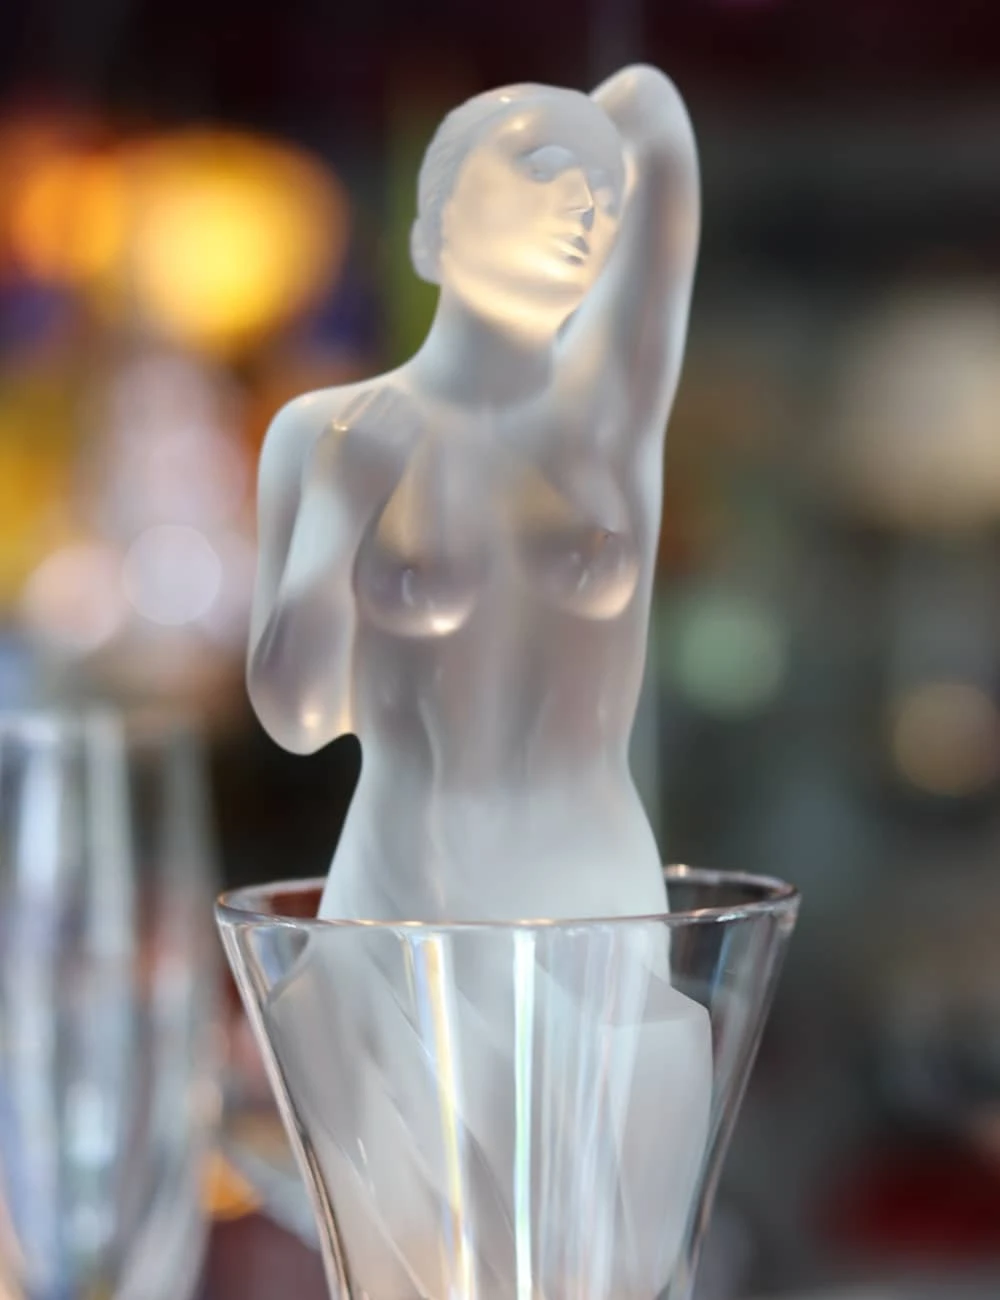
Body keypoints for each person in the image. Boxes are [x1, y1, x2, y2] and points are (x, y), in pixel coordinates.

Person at [248, 65, 699, 922]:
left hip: (596, 900)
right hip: (405, 901)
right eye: (544, 170)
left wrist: (572, 125)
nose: (585, 204)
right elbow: (299, 718)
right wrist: (337, 516)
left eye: (605, 192)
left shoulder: (608, 421)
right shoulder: (326, 433)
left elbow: (653, 111)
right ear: (435, 223)